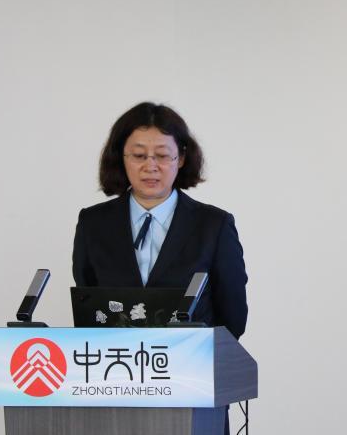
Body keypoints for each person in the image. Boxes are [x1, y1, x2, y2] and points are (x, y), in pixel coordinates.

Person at [72, 102, 248, 339]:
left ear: (181, 158)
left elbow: (233, 319)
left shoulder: (214, 225)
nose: (150, 167)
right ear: (121, 157)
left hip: (192, 359)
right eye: (139, 156)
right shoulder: (92, 223)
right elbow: (89, 308)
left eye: (163, 156)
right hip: (115, 359)